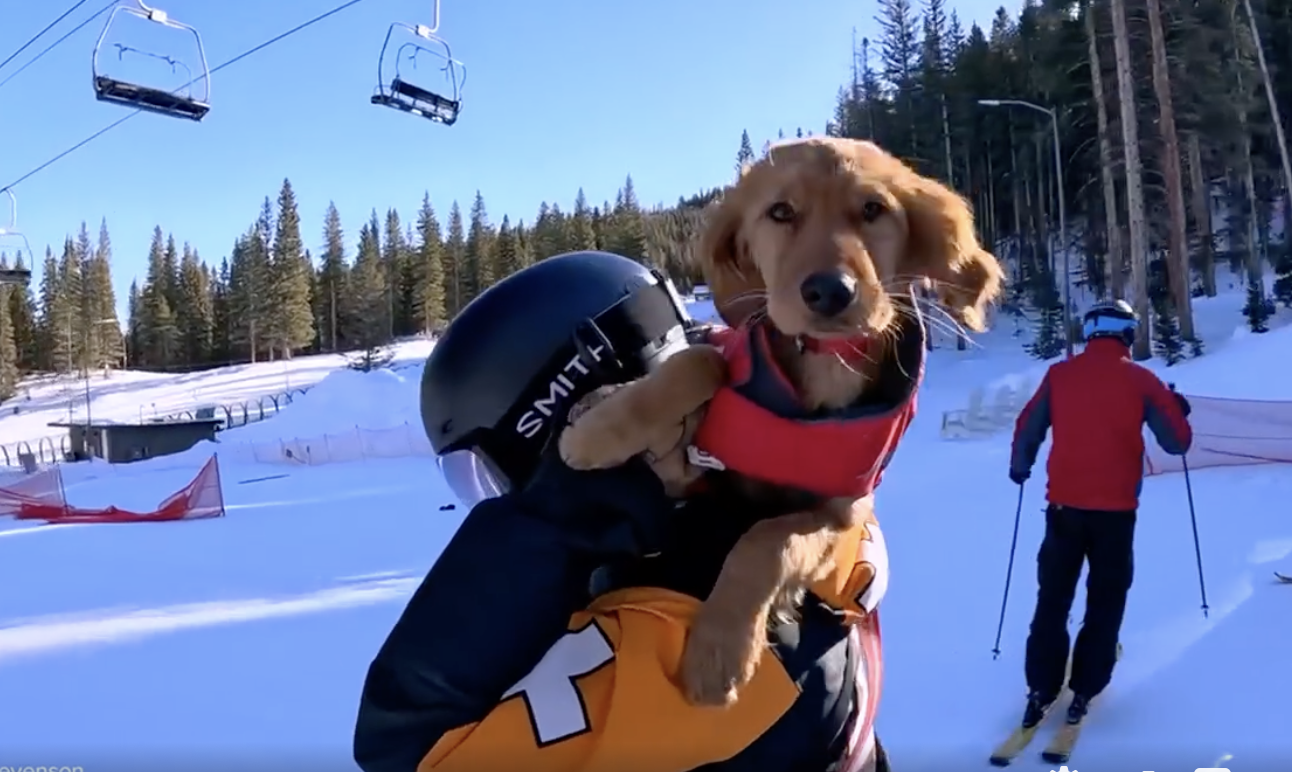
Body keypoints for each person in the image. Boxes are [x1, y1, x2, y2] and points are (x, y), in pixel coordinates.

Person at [353, 250, 890, 772]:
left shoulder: (700, 621)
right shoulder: (796, 501)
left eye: (490, 475)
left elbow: (411, 748)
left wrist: (579, 499)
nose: (503, 499)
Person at [1008, 298, 1193, 728]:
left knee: (1052, 597)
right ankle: (1086, 687)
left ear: (1090, 332)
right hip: (1116, 515)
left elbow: (1028, 425)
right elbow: (1177, 444)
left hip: (1063, 509)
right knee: (1106, 599)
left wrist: (1021, 466)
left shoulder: (1059, 375)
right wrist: (1176, 410)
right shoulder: (1143, 381)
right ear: (1127, 333)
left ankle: (1041, 686)